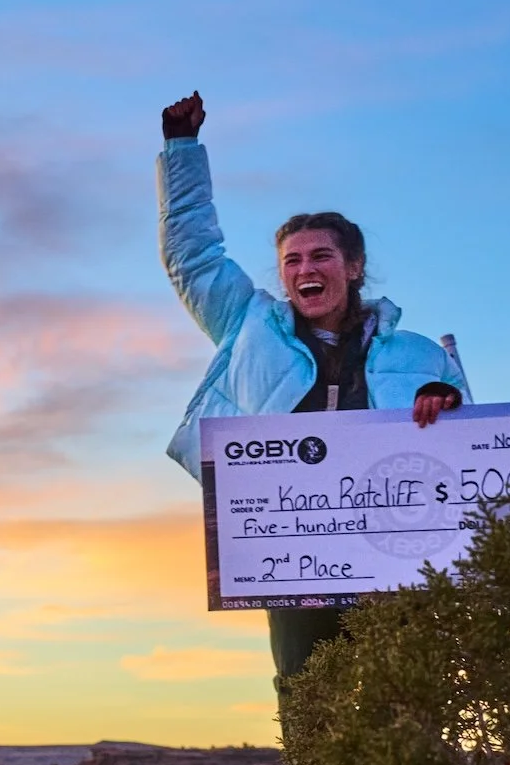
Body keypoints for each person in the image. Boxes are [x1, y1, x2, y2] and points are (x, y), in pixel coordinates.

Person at [157, 92, 471, 691]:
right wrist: (182, 148)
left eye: (322, 255)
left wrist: (445, 402)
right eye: (292, 260)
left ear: (353, 267)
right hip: (295, 560)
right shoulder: (247, 325)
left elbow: (466, 444)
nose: (306, 269)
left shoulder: (420, 355)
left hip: (395, 560)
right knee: (308, 699)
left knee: (405, 700)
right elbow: (192, 256)